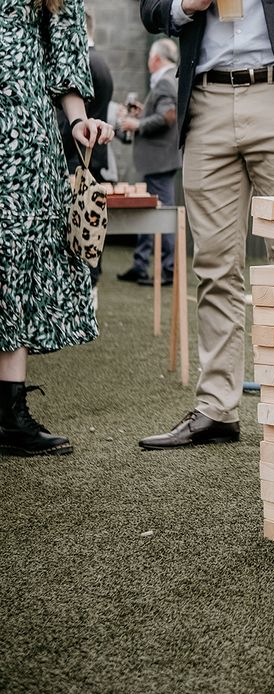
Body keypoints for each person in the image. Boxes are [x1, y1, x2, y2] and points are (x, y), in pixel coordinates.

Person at [136, 0, 274, 450]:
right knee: (213, 263)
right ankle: (217, 407)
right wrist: (183, 6)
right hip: (205, 101)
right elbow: (151, 8)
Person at [0, 0, 114, 457]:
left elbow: (64, 55)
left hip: (24, 133)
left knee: (15, 257)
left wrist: (78, 120)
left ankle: (9, 412)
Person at [55, 3, 115, 309]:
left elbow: (70, 120)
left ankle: (83, 292)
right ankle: (89, 290)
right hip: (95, 156)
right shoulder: (101, 62)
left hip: (78, 156)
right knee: (91, 227)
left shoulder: (85, 64)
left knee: (81, 227)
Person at [116, 38, 182, 287]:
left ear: (155, 59)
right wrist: (143, 112)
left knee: (163, 214)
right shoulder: (170, 80)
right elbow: (164, 111)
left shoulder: (164, 82)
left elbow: (168, 116)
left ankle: (169, 270)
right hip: (159, 160)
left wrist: (137, 123)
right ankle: (141, 264)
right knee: (149, 212)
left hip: (159, 161)